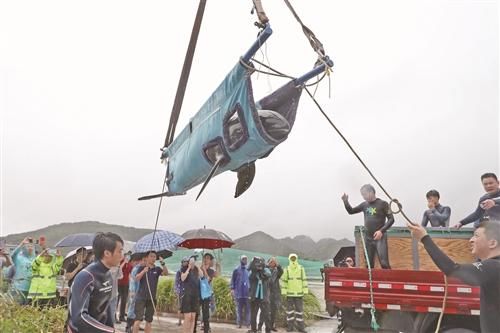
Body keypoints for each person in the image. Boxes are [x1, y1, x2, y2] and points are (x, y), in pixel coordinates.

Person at [407, 220, 500, 333]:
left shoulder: (493, 266)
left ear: (493, 243)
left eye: (476, 236)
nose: (471, 240)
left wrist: (424, 238)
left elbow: (452, 269)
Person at [67, 232, 124, 333]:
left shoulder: (108, 274)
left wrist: (111, 329)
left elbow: (106, 309)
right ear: (107, 253)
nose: (122, 256)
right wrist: (110, 331)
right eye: (120, 251)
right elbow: (79, 318)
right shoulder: (86, 277)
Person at [342, 184, 394, 269]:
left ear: (371, 192)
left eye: (364, 194)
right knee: (369, 265)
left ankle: (389, 281)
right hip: (368, 238)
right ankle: (371, 282)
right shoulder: (364, 205)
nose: (364, 197)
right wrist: (345, 201)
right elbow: (351, 211)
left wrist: (381, 231)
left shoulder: (383, 204)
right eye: (362, 195)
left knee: (384, 263)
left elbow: (391, 219)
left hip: (380, 238)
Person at [132, 251, 168, 333]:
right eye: (151, 256)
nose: (153, 258)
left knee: (149, 320)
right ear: (147, 258)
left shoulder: (157, 269)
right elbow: (136, 279)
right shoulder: (141, 267)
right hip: (141, 297)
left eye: (154, 257)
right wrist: (143, 271)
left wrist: (163, 263)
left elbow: (166, 273)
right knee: (138, 319)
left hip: (151, 298)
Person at [281, 253, 308, 333]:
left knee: (299, 311)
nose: (293, 259)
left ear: (296, 258)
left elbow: (304, 280)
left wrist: (305, 290)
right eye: (291, 258)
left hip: (299, 294)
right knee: (290, 312)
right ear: (289, 259)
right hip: (290, 294)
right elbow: (284, 281)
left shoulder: (301, 268)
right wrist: (284, 291)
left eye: (294, 257)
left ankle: (301, 328)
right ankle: (290, 327)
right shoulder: (287, 269)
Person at [258, 257, 282, 332]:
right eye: (271, 262)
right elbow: (262, 269)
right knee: (264, 311)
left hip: (274, 294)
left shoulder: (277, 271)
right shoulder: (265, 270)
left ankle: (271, 326)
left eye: (274, 262)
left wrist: (277, 265)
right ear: (268, 263)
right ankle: (259, 326)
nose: (272, 263)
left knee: (273, 311)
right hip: (266, 293)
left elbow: (281, 271)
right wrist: (268, 265)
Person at [248, 256, 271, 333]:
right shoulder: (252, 273)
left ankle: (268, 330)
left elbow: (268, 275)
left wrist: (262, 270)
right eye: (257, 264)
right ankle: (253, 329)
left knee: (267, 315)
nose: (259, 266)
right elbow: (249, 275)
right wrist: (253, 264)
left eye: (260, 264)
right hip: (254, 297)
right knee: (253, 315)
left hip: (264, 297)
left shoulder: (266, 270)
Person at [10, 237, 36, 304]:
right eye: (28, 246)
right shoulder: (18, 258)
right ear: (24, 248)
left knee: (26, 310)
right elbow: (12, 255)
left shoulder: (34, 258)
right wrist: (21, 244)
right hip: (18, 288)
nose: (30, 248)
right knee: (17, 309)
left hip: (30, 289)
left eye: (31, 246)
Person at [181, 256, 203, 333]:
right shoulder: (184, 268)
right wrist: (188, 268)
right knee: (188, 317)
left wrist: (197, 266)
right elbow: (183, 278)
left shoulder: (197, 269)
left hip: (195, 295)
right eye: (191, 261)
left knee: (193, 317)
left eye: (194, 261)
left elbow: (202, 276)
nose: (193, 262)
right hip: (187, 295)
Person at [126, 255, 146, 333]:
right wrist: (132, 291)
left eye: (145, 260)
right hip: (135, 292)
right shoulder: (136, 269)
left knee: (139, 310)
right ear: (140, 260)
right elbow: (132, 281)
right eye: (144, 260)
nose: (145, 262)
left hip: (142, 293)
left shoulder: (144, 268)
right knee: (132, 309)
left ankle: (136, 325)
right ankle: (128, 327)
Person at [198, 253, 217, 333]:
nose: (206, 259)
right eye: (205, 258)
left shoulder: (211, 270)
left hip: (206, 295)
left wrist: (204, 270)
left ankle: (206, 329)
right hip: (198, 293)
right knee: (196, 312)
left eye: (208, 258)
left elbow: (207, 280)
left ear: (210, 261)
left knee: (206, 314)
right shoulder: (199, 268)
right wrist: (200, 268)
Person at [231, 255, 250, 328]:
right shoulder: (236, 269)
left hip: (247, 293)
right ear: (240, 260)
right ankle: (239, 323)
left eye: (246, 259)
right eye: (243, 259)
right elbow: (233, 280)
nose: (245, 260)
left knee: (248, 309)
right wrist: (232, 289)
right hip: (238, 293)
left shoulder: (248, 270)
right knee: (238, 309)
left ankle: (248, 323)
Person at [118, 253, 133, 323]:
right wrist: (124, 262)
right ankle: (114, 316)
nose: (128, 257)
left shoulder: (130, 265)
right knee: (117, 300)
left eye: (129, 256)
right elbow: (119, 269)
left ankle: (122, 316)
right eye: (126, 256)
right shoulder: (120, 262)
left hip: (126, 284)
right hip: (118, 284)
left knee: (124, 300)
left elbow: (131, 274)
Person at [175, 257, 189, 327]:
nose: (186, 263)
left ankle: (186, 321)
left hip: (188, 291)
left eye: (187, 261)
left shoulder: (189, 271)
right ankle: (179, 321)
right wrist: (177, 291)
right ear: (182, 262)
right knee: (180, 307)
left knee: (187, 307)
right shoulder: (179, 271)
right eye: (184, 261)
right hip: (181, 291)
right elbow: (177, 282)